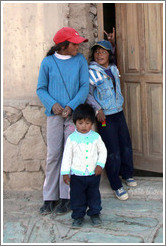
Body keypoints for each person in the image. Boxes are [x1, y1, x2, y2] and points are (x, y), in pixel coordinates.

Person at [36, 27, 89, 215]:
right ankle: (49, 197)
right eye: (75, 44)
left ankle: (67, 197)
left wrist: (71, 106)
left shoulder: (80, 61)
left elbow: (84, 87)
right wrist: (53, 104)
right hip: (54, 116)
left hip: (73, 117)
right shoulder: (48, 63)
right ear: (64, 45)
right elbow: (41, 89)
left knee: (70, 156)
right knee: (53, 155)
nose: (78, 47)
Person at [86, 40, 137, 201]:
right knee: (112, 150)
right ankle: (116, 185)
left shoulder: (113, 69)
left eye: (103, 52)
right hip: (105, 116)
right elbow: (87, 94)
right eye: (96, 52)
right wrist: (97, 109)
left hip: (118, 112)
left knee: (126, 145)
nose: (99, 54)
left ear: (109, 55)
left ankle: (127, 174)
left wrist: (113, 42)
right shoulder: (91, 72)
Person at [60, 103, 107, 228]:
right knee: (77, 197)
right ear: (75, 123)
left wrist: (99, 165)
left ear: (92, 123)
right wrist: (65, 173)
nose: (84, 126)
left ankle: (95, 214)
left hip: (93, 174)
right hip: (77, 175)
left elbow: (103, 151)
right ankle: (78, 216)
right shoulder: (71, 139)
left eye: (87, 123)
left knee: (94, 195)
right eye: (80, 123)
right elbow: (67, 156)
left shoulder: (96, 137)